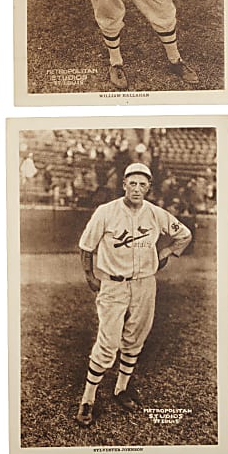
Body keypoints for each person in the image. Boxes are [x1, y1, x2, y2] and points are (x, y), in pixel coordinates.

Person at [74, 162, 192, 427]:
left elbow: (184, 234)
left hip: (144, 284)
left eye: (142, 184)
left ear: (148, 187)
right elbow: (86, 246)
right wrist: (89, 275)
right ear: (124, 184)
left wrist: (166, 252)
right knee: (108, 341)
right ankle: (88, 399)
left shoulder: (156, 214)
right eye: (132, 183)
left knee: (136, 336)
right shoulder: (105, 212)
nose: (137, 189)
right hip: (114, 284)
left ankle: (121, 388)